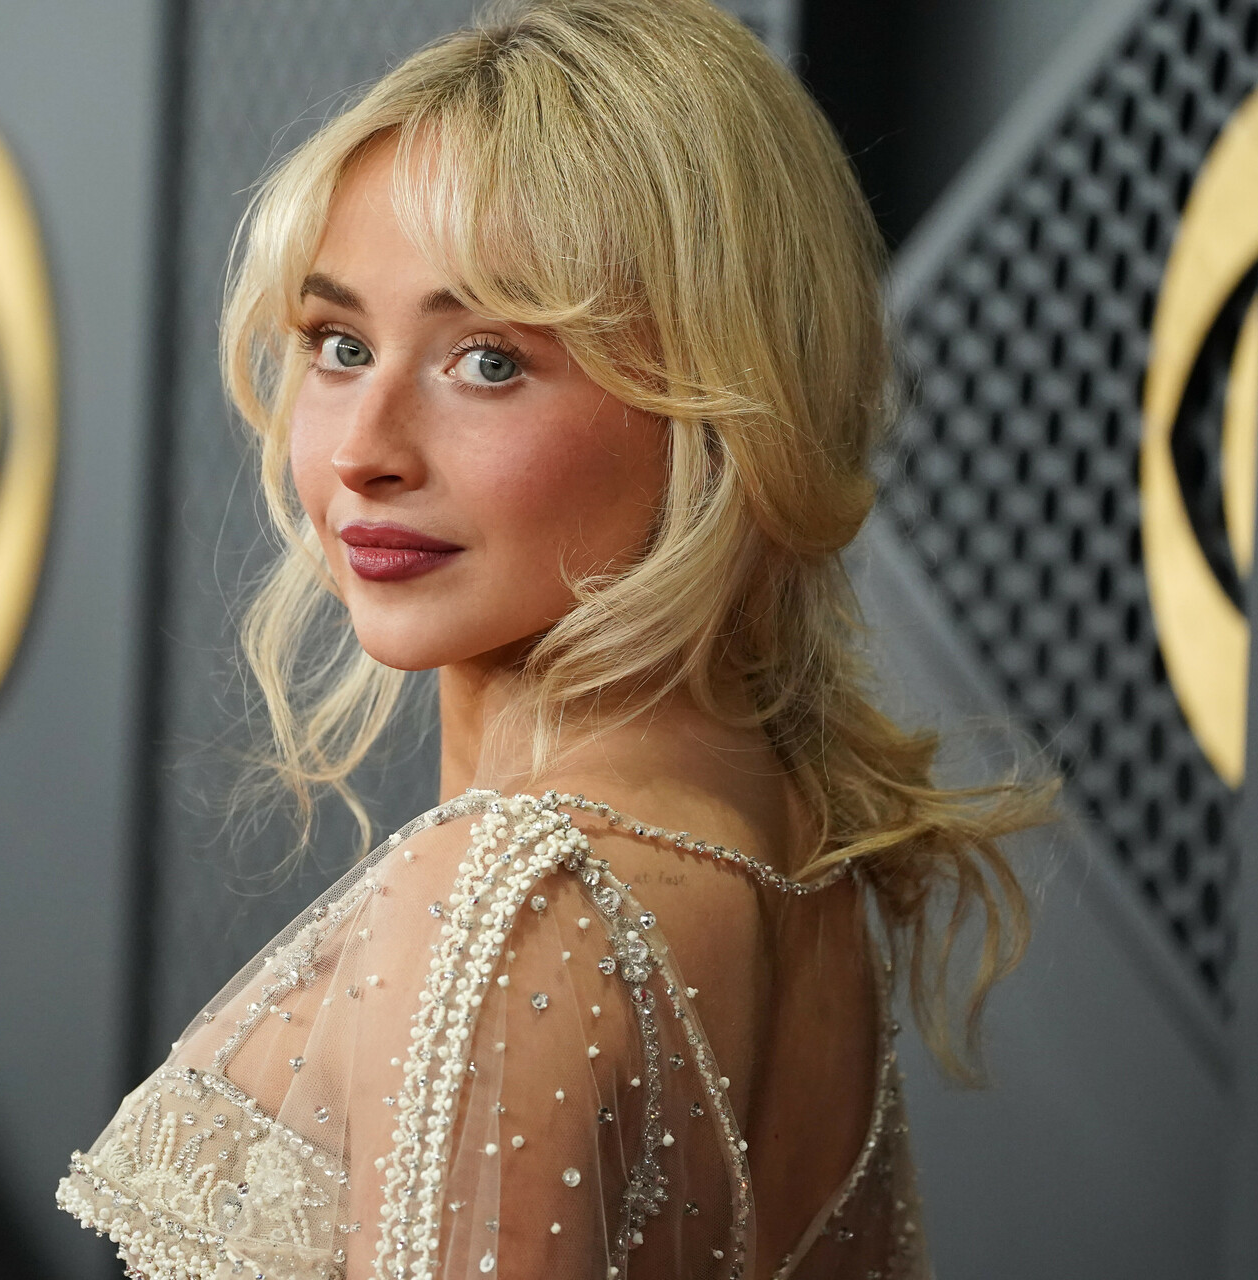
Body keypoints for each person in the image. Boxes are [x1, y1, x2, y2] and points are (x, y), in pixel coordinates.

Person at [58, 1, 1051, 1276]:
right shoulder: (798, 853)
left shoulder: (514, 903)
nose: (363, 449)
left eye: (488, 361)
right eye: (340, 344)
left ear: (716, 398)